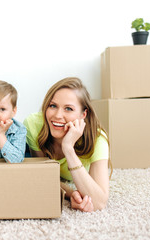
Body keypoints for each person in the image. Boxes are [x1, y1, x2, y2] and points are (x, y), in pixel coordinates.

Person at [23, 77, 111, 212]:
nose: (58, 115)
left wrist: (68, 148)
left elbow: (99, 202)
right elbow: (42, 175)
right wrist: (70, 194)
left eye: (68, 109)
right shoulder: (34, 125)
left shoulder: (98, 139)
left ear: (83, 114)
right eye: (53, 106)